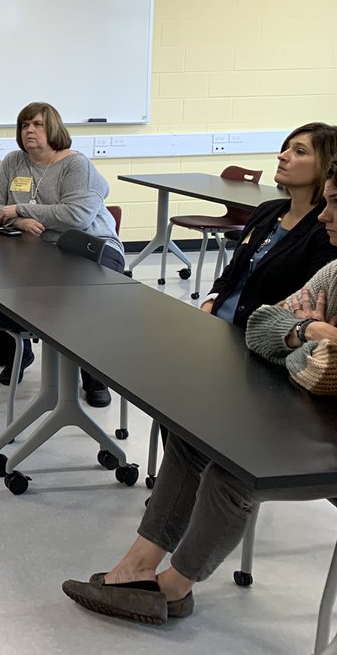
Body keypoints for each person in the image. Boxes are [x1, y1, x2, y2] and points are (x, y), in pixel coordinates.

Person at [62, 160, 337, 627]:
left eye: (335, 204)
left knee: (235, 467)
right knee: (195, 437)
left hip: (320, 439)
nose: (325, 215)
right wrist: (310, 331)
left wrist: (302, 348)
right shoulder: (333, 274)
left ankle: (173, 588)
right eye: (327, 201)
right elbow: (262, 327)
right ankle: (139, 565)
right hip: (305, 415)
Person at [0, 102, 122, 405]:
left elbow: (77, 215)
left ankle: (94, 377)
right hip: (42, 246)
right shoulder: (14, 162)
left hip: (92, 249)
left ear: (54, 129)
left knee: (80, 302)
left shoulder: (76, 165)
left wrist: (19, 208)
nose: (29, 131)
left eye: (37, 124)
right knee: (1, 281)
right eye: (24, 125)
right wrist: (18, 220)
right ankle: (17, 357)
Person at [201, 122, 337, 327]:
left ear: (327, 165)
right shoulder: (267, 211)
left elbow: (305, 303)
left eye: (299, 151)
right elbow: (232, 272)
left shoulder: (327, 229)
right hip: (219, 325)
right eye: (286, 148)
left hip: (263, 339)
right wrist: (209, 305)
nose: (283, 156)